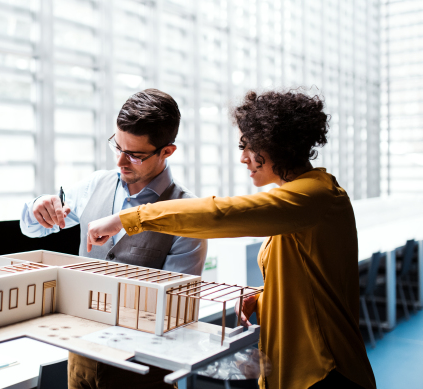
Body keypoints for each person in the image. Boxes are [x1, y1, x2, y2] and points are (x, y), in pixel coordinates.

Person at [86, 90, 377, 389]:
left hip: (325, 372)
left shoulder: (315, 197)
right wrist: (264, 298)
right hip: (300, 372)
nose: (243, 158)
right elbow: (310, 281)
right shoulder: (303, 201)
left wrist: (129, 218)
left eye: (247, 146)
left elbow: (220, 214)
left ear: (276, 145)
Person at [20, 88, 207, 388]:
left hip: (142, 370)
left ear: (167, 151)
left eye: (135, 155)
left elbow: (176, 312)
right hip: (81, 357)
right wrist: (38, 206)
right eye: (117, 146)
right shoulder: (96, 184)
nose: (120, 162)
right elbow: (33, 229)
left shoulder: (186, 213)